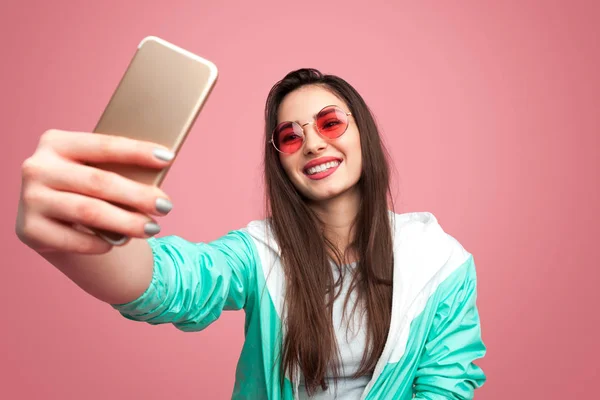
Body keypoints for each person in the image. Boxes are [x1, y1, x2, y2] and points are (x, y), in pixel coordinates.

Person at [15, 68, 486, 399]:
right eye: (290, 136)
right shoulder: (258, 253)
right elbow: (175, 283)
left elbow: (445, 387)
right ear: (279, 158)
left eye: (330, 122)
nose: (314, 143)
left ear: (362, 131)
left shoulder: (438, 261)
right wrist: (88, 243)